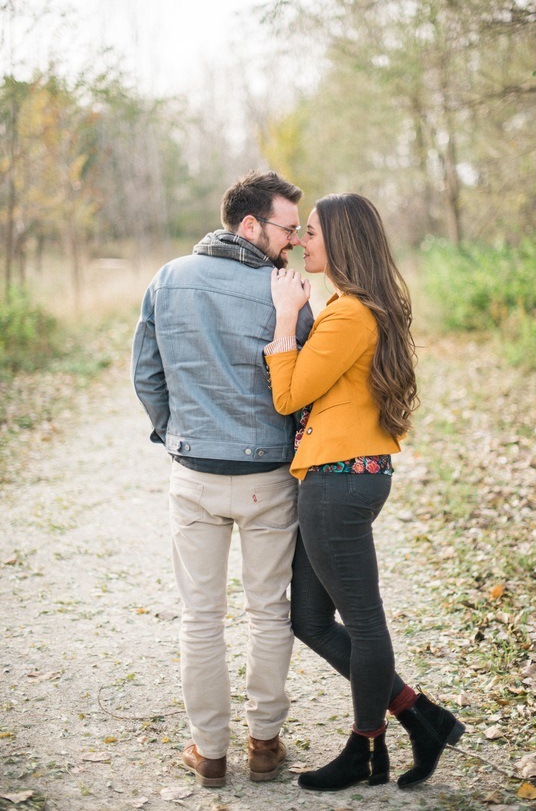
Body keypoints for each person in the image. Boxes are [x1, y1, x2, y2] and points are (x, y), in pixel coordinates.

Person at [263, 193, 465, 792]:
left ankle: (365, 749)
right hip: (336, 478)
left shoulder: (349, 313)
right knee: (309, 619)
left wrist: (282, 314)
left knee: (365, 622)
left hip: (340, 482)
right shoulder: (355, 308)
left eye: (315, 232)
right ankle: (419, 716)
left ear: (344, 241)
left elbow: (288, 395)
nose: (304, 241)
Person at [131, 170, 314, 788]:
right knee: (268, 611)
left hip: (195, 475)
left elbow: (147, 376)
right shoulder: (285, 293)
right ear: (249, 225)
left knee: (200, 617)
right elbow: (305, 387)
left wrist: (177, 436)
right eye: (287, 227)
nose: (292, 240)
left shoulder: (167, 278)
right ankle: (264, 744)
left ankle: (210, 752)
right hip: (267, 475)